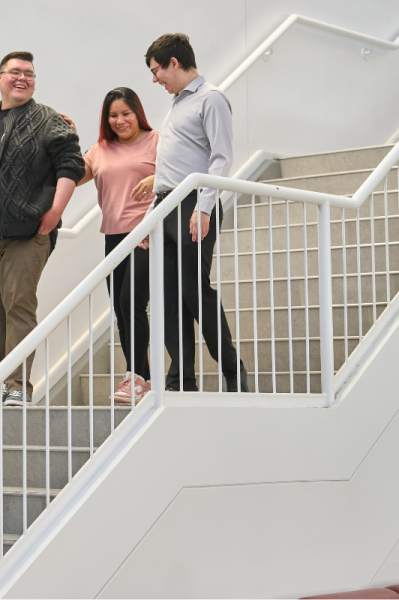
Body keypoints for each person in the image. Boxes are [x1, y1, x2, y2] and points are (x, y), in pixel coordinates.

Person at [0, 51, 85, 406]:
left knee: (18, 306)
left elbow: (71, 162)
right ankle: (6, 383)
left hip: (28, 232)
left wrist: (56, 210)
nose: (22, 78)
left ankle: (18, 386)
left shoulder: (48, 119)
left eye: (29, 74)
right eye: (15, 72)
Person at [145, 33, 248, 392]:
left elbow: (221, 158)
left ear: (174, 62)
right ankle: (180, 380)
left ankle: (233, 370)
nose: (155, 79)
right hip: (165, 206)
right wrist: (150, 219)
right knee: (168, 297)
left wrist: (204, 207)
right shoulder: (176, 104)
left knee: (193, 290)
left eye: (157, 70)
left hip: (192, 205)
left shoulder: (211, 98)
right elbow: (170, 166)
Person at [71, 87, 158, 404]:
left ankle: (135, 376)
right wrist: (69, 141)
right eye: (113, 115)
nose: (120, 120)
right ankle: (141, 379)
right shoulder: (100, 149)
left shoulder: (157, 140)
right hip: (114, 236)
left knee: (131, 301)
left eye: (125, 113)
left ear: (138, 112)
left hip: (147, 233)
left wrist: (157, 176)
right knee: (121, 310)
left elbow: (183, 170)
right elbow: (74, 175)